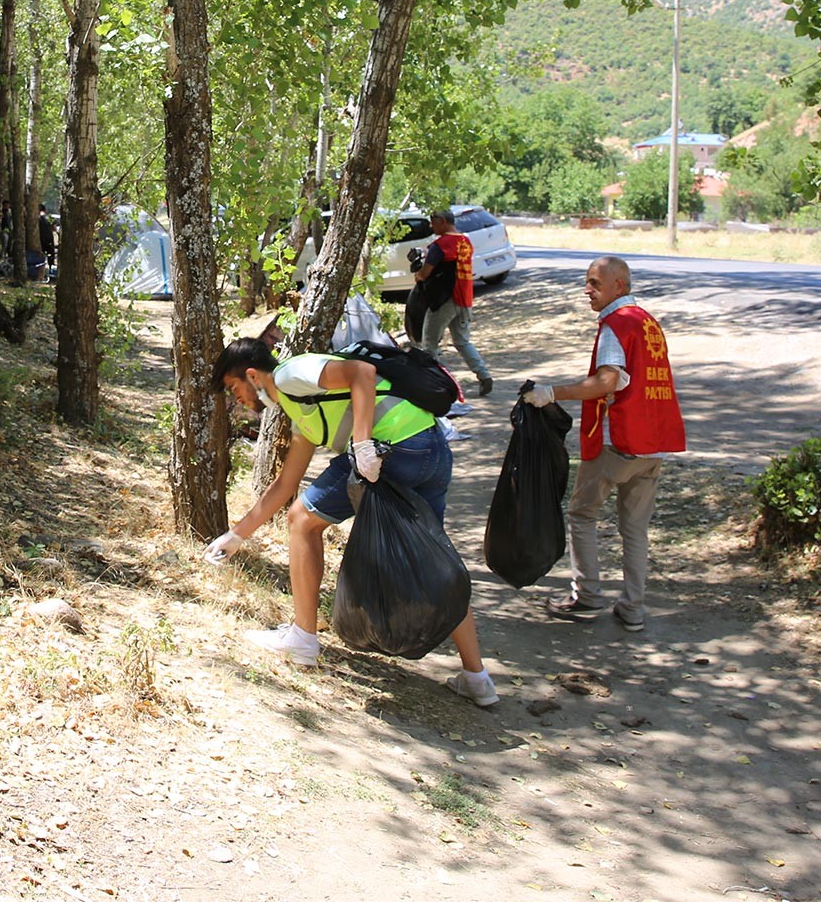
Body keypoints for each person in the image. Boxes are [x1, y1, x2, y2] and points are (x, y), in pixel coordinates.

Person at [203, 338, 500, 706]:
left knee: (301, 520)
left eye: (234, 389)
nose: (238, 399)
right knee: (434, 561)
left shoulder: (292, 374)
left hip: (394, 448)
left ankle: (303, 639)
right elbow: (285, 484)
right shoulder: (302, 412)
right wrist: (236, 536)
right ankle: (477, 678)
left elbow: (362, 373)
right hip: (431, 448)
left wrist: (361, 446)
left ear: (251, 375)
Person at [522, 256, 685, 633]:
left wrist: (552, 393)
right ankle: (633, 607)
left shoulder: (617, 324)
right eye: (587, 282)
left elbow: (609, 381)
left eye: (595, 283)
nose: (587, 290)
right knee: (635, 529)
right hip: (653, 444)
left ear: (619, 287)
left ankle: (588, 595)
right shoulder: (647, 322)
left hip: (619, 440)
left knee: (582, 514)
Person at [413, 208, 492, 397]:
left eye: (433, 222)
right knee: (462, 341)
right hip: (464, 298)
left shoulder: (441, 245)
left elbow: (425, 273)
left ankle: (433, 383)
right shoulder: (465, 242)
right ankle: (484, 375)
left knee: (430, 343)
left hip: (444, 301)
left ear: (441, 221)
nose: (431, 226)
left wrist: (418, 274)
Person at [37, 206, 57, 279]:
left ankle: (41, 275)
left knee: (41, 258)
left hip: (41, 239)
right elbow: (54, 228)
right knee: (51, 258)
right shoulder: (49, 217)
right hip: (49, 239)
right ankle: (50, 274)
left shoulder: (37, 218)